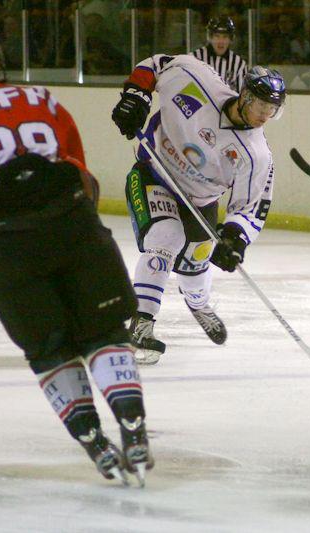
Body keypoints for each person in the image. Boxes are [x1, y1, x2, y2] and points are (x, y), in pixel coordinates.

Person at [0, 22, 152, 485]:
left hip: (9, 242)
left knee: (50, 349)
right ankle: (133, 425)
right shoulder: (41, 98)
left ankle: (94, 440)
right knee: (104, 332)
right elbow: (81, 173)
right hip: (74, 223)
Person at [110, 52, 285, 365]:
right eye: (261, 106)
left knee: (196, 265)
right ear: (245, 96)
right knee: (165, 237)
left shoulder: (256, 155)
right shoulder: (196, 79)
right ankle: (141, 323)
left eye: (272, 110)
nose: (264, 116)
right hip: (154, 173)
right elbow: (158, 64)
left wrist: (235, 237)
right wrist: (136, 94)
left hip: (201, 201)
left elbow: (250, 206)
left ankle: (198, 303)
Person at [192, 16, 248, 93]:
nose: (221, 41)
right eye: (217, 36)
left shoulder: (239, 64)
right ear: (210, 37)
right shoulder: (194, 58)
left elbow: (242, 95)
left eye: (225, 37)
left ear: (231, 39)